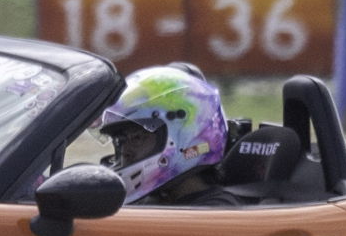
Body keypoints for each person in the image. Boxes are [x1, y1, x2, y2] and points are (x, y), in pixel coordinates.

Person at [97, 64, 243, 206]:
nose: (125, 153)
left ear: (184, 135)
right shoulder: (151, 202)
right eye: (120, 141)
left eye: (137, 138)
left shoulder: (216, 212)